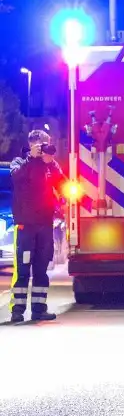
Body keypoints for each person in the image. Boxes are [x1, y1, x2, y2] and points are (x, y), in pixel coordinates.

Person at [8, 129, 66, 324]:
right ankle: (17, 311)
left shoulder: (50, 165)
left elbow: (63, 185)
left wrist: (51, 164)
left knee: (41, 269)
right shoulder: (19, 162)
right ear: (32, 144)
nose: (44, 149)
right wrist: (32, 159)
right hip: (26, 225)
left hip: (44, 224)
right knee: (23, 270)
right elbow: (16, 177)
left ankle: (39, 309)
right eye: (41, 145)